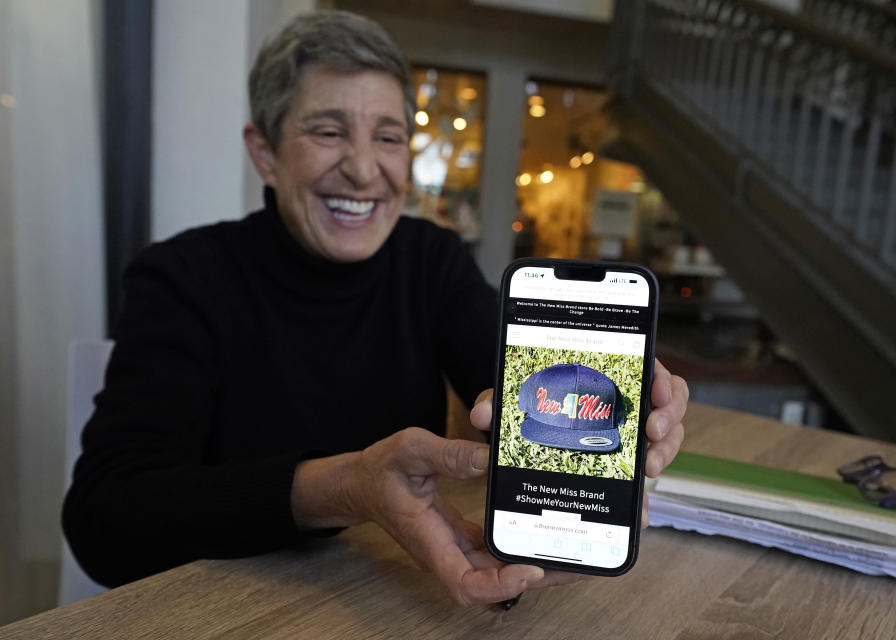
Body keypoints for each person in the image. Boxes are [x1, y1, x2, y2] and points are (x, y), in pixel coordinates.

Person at [62, 10, 688, 607]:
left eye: (387, 137)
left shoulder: (430, 259)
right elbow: (103, 518)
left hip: (381, 597)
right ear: (265, 153)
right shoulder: (184, 277)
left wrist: (599, 397)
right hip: (224, 609)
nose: (364, 170)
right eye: (328, 131)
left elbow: (504, 380)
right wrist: (344, 488)